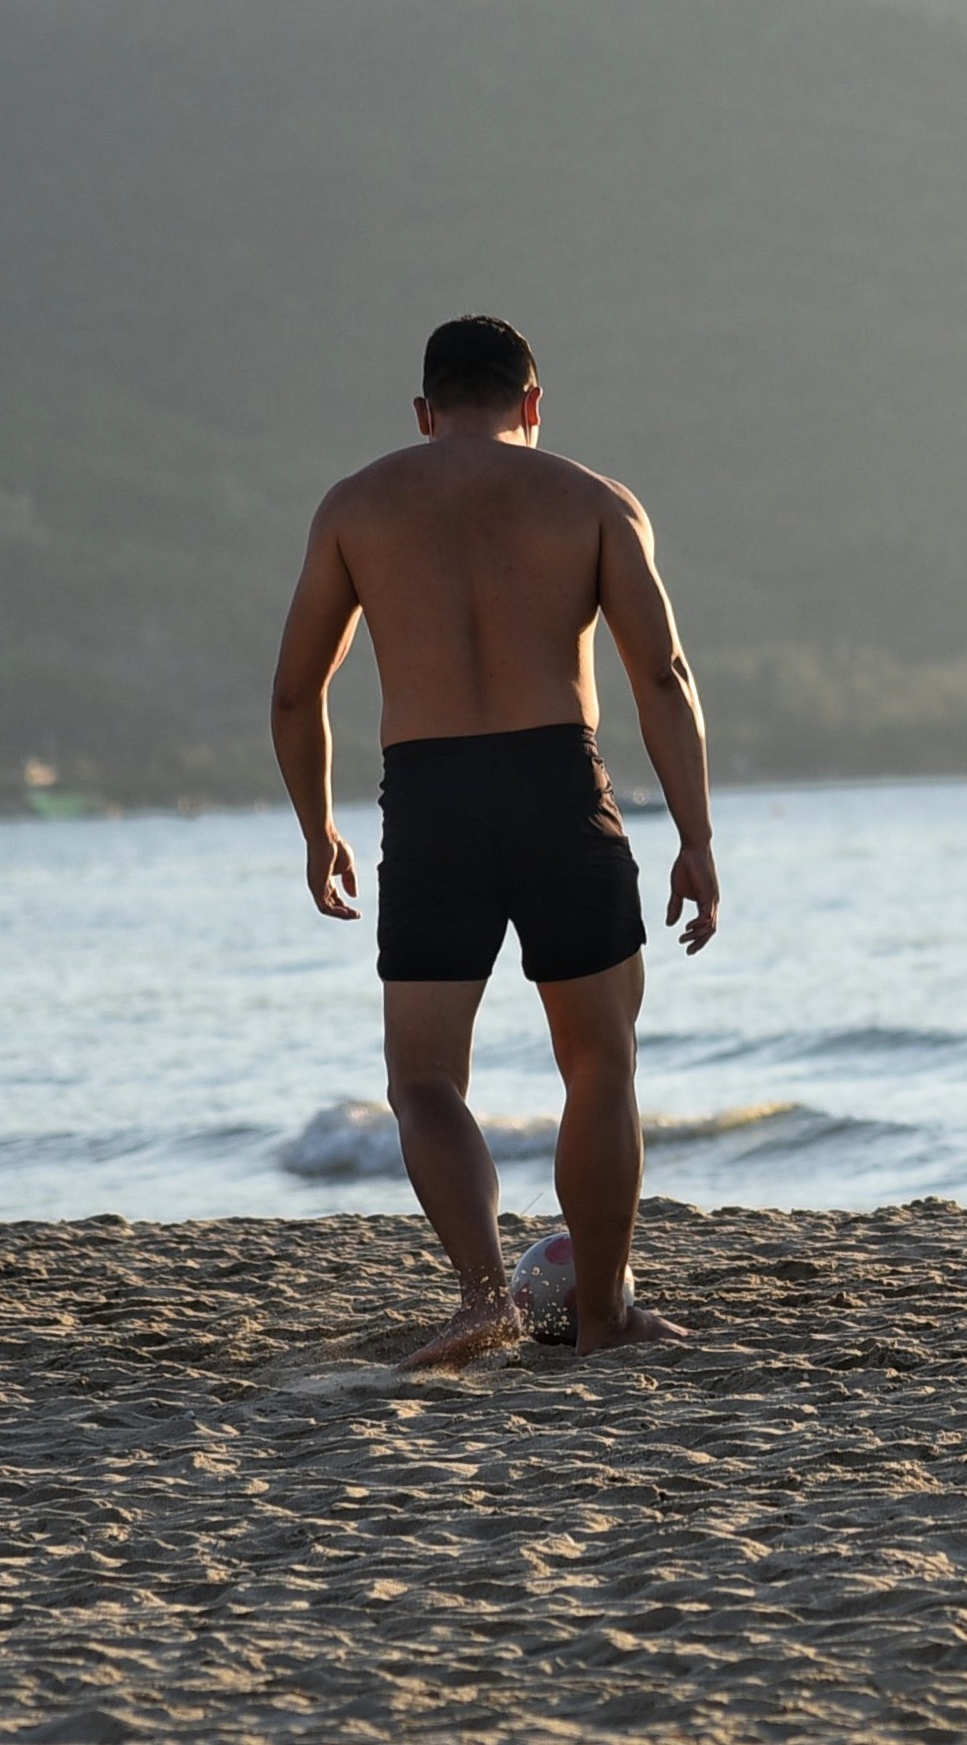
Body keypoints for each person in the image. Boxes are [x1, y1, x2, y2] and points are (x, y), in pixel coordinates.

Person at [270, 315, 716, 1362]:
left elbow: (297, 692)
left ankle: (482, 1297)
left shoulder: (356, 507)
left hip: (430, 799)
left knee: (424, 1079)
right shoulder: (594, 501)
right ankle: (601, 1316)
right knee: (599, 1066)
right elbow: (662, 678)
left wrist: (315, 826)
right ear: (533, 403)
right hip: (559, 781)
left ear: (424, 414)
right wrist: (694, 836)